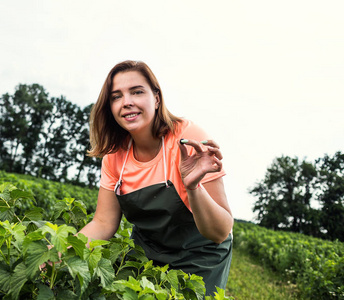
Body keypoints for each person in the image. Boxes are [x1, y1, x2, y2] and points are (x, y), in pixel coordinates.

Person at [78, 60, 233, 295]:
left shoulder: (188, 139)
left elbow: (220, 232)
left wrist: (193, 187)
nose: (127, 102)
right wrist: (64, 249)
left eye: (137, 92)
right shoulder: (114, 156)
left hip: (200, 257)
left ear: (157, 98)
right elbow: (103, 223)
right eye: (116, 96)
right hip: (148, 253)